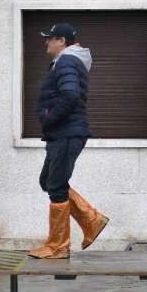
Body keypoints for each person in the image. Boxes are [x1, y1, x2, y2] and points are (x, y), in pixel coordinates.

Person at [28, 23, 109, 259]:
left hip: (65, 132)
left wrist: (49, 116)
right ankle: (91, 220)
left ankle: (58, 246)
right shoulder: (67, 61)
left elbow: (70, 94)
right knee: (48, 181)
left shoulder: (66, 61)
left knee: (55, 186)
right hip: (63, 133)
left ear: (61, 41)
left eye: (49, 39)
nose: (46, 43)